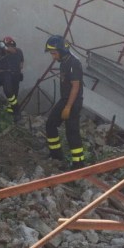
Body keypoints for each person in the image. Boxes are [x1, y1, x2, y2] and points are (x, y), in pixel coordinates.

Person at [44, 35, 85, 169]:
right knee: (50, 124)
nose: (53, 57)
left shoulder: (73, 63)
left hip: (73, 102)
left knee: (72, 132)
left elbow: (75, 86)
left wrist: (68, 107)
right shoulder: (64, 62)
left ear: (62, 51)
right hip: (65, 100)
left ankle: (78, 164)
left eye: (54, 53)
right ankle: (56, 156)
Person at [0, 36, 24, 121]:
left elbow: (20, 62)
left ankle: (15, 113)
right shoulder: (15, 51)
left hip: (14, 75)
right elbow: (21, 64)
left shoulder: (16, 51)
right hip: (13, 75)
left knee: (12, 95)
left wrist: (3, 46)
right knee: (11, 94)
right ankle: (13, 114)